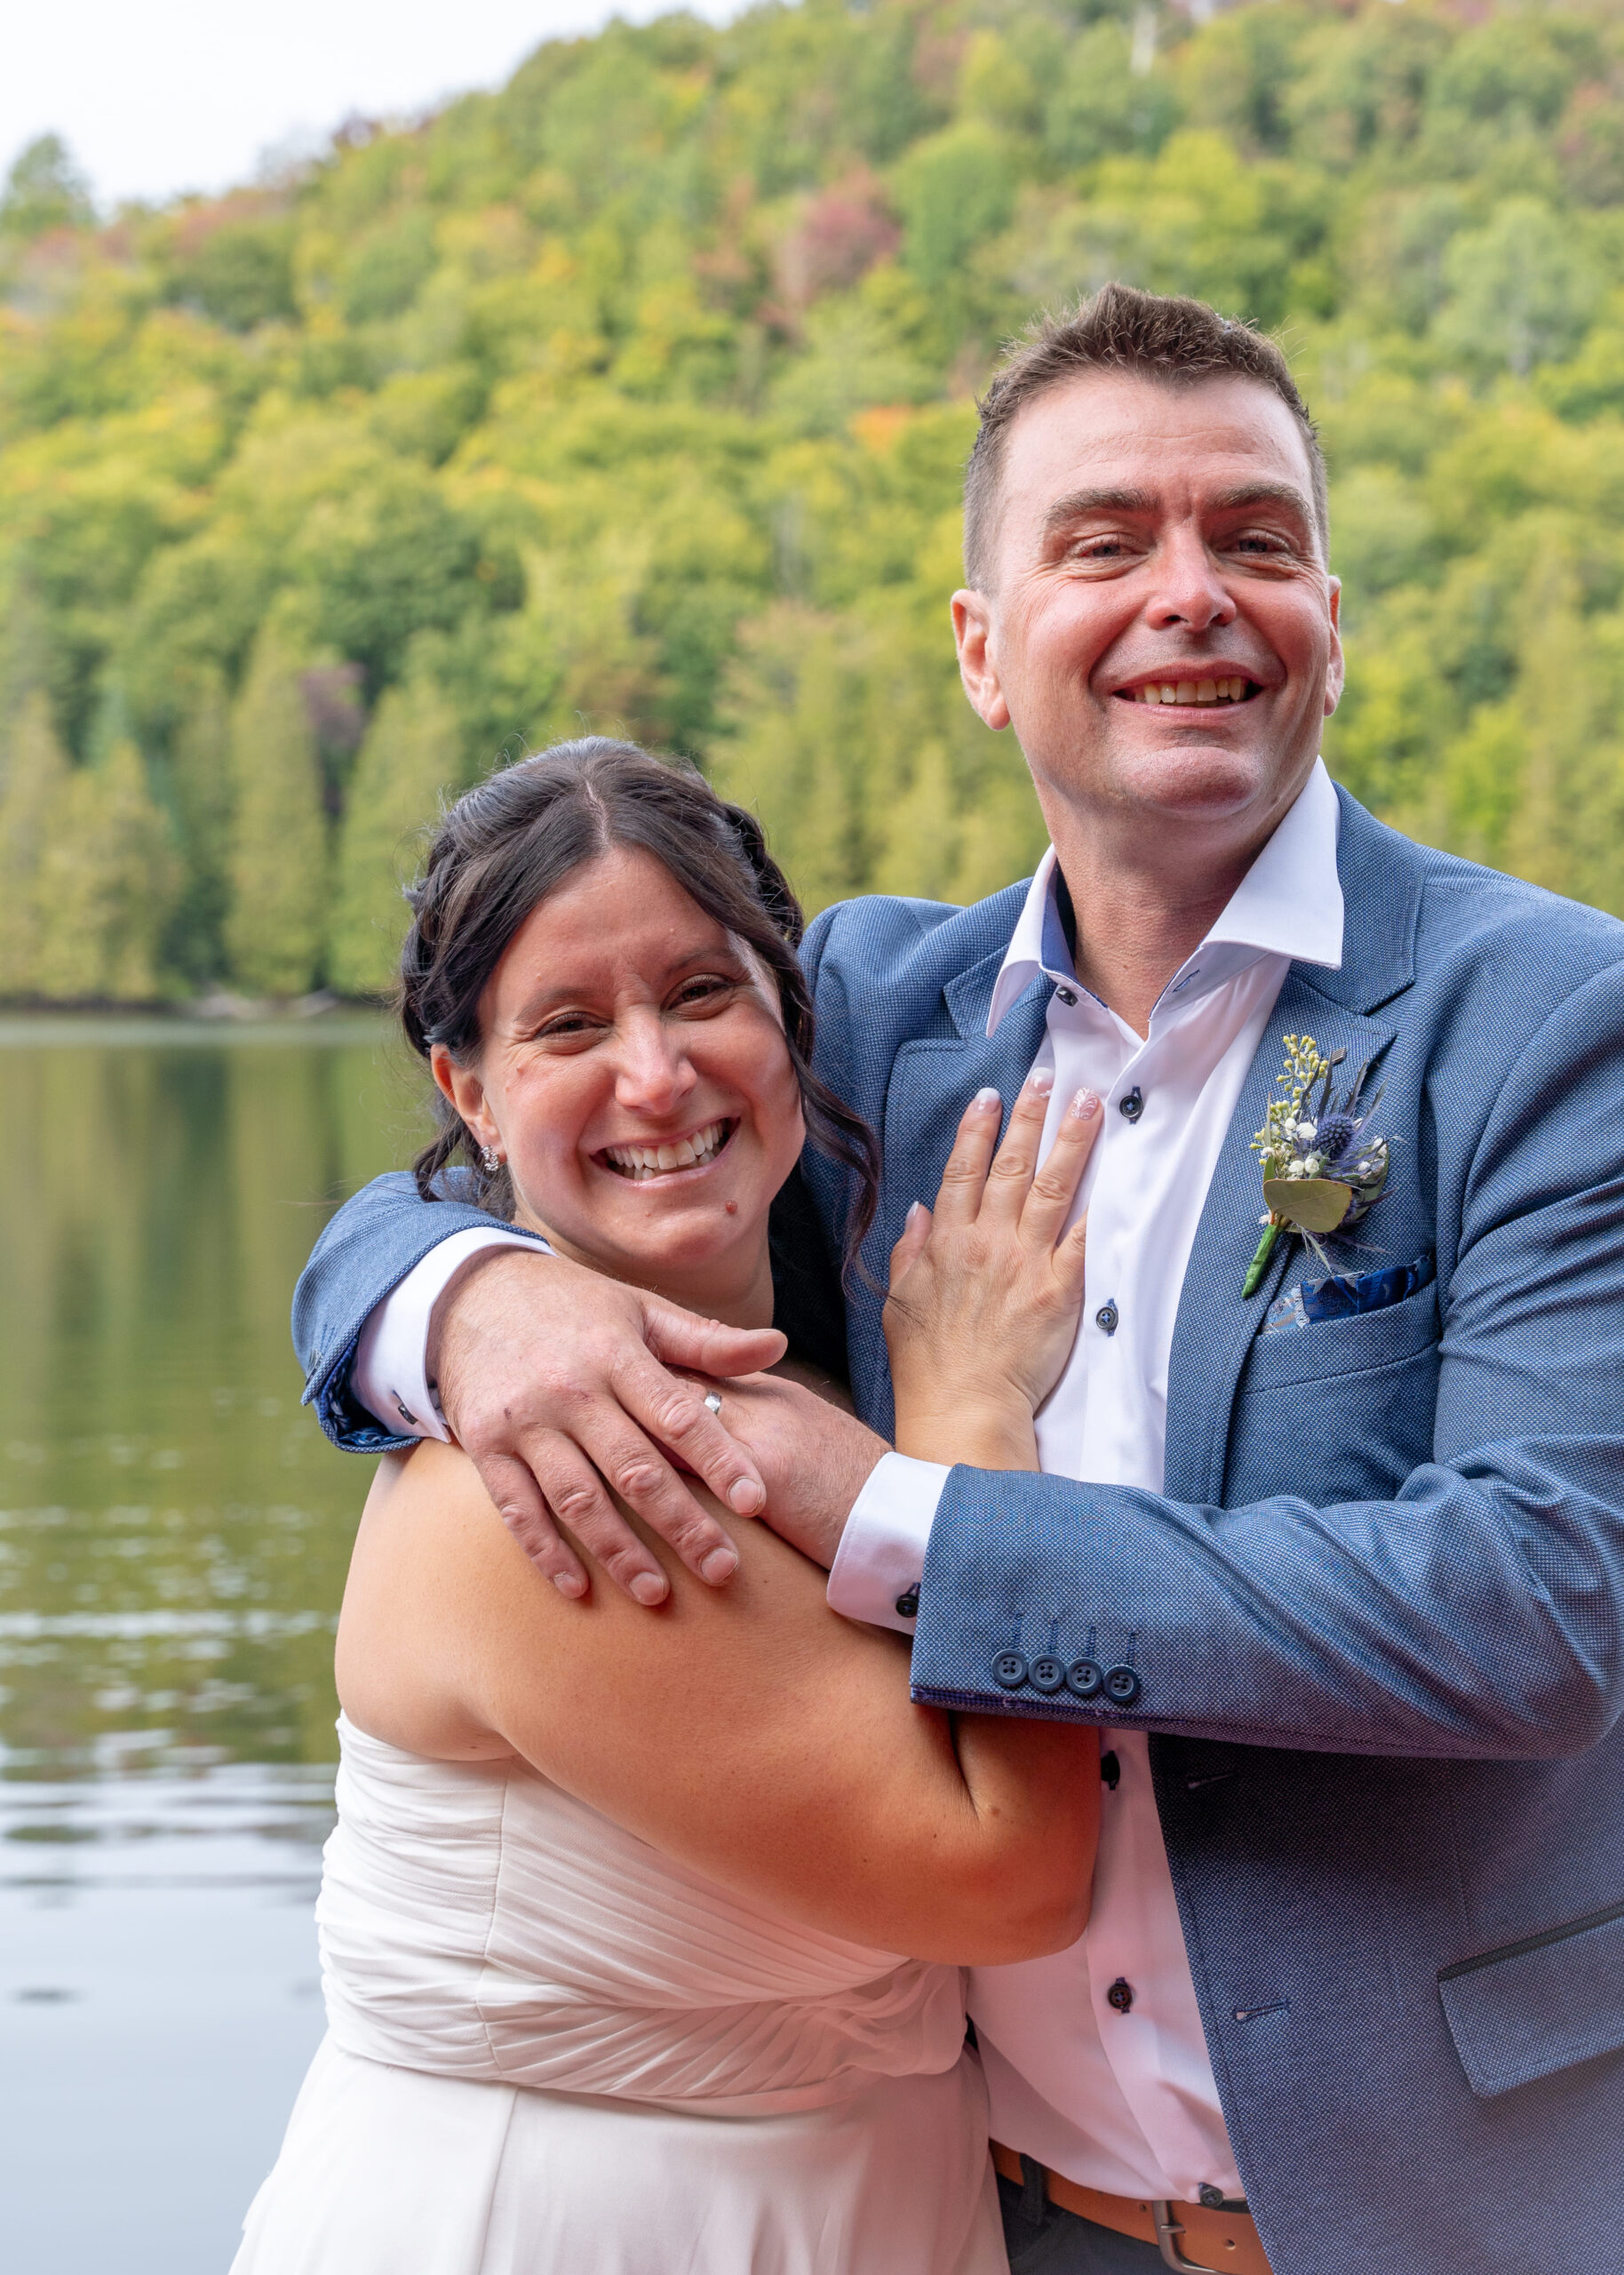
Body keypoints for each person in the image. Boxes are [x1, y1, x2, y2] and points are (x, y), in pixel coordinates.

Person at [295, 286, 1624, 2275]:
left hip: (1428, 2210)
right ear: (982, 650)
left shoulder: (1542, 1014)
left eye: (1252, 538)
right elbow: (577, 1123)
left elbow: (1531, 1604)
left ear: (1325, 618)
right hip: (1001, 2214)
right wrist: (464, 1300)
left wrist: (915, 1507)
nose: (1190, 593)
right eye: (1105, 542)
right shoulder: (874, 1012)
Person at [241, 742, 1104, 2275]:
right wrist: (972, 1409)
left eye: (703, 994)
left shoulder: (827, 1359)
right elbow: (1010, 1873)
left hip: (872, 2207)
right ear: (470, 1093)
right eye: (568, 1025)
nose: (654, 1075)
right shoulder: (533, 1483)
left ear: (791, 1018)